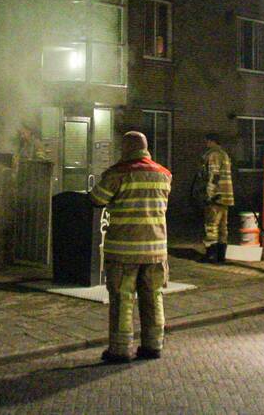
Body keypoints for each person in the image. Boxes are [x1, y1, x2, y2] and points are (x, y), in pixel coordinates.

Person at [89, 131, 172, 363]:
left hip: (124, 251)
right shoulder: (164, 174)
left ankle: (120, 349)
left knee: (123, 298)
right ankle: (153, 346)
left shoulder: (119, 173)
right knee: (153, 296)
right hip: (156, 250)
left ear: (125, 148)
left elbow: (97, 198)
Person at [200, 133, 234, 264]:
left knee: (211, 225)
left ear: (211, 141)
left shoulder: (212, 155)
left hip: (216, 197)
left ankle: (211, 255)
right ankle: (221, 255)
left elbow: (213, 175)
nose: (206, 144)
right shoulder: (225, 155)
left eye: (207, 141)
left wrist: (210, 194)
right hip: (227, 195)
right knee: (223, 227)